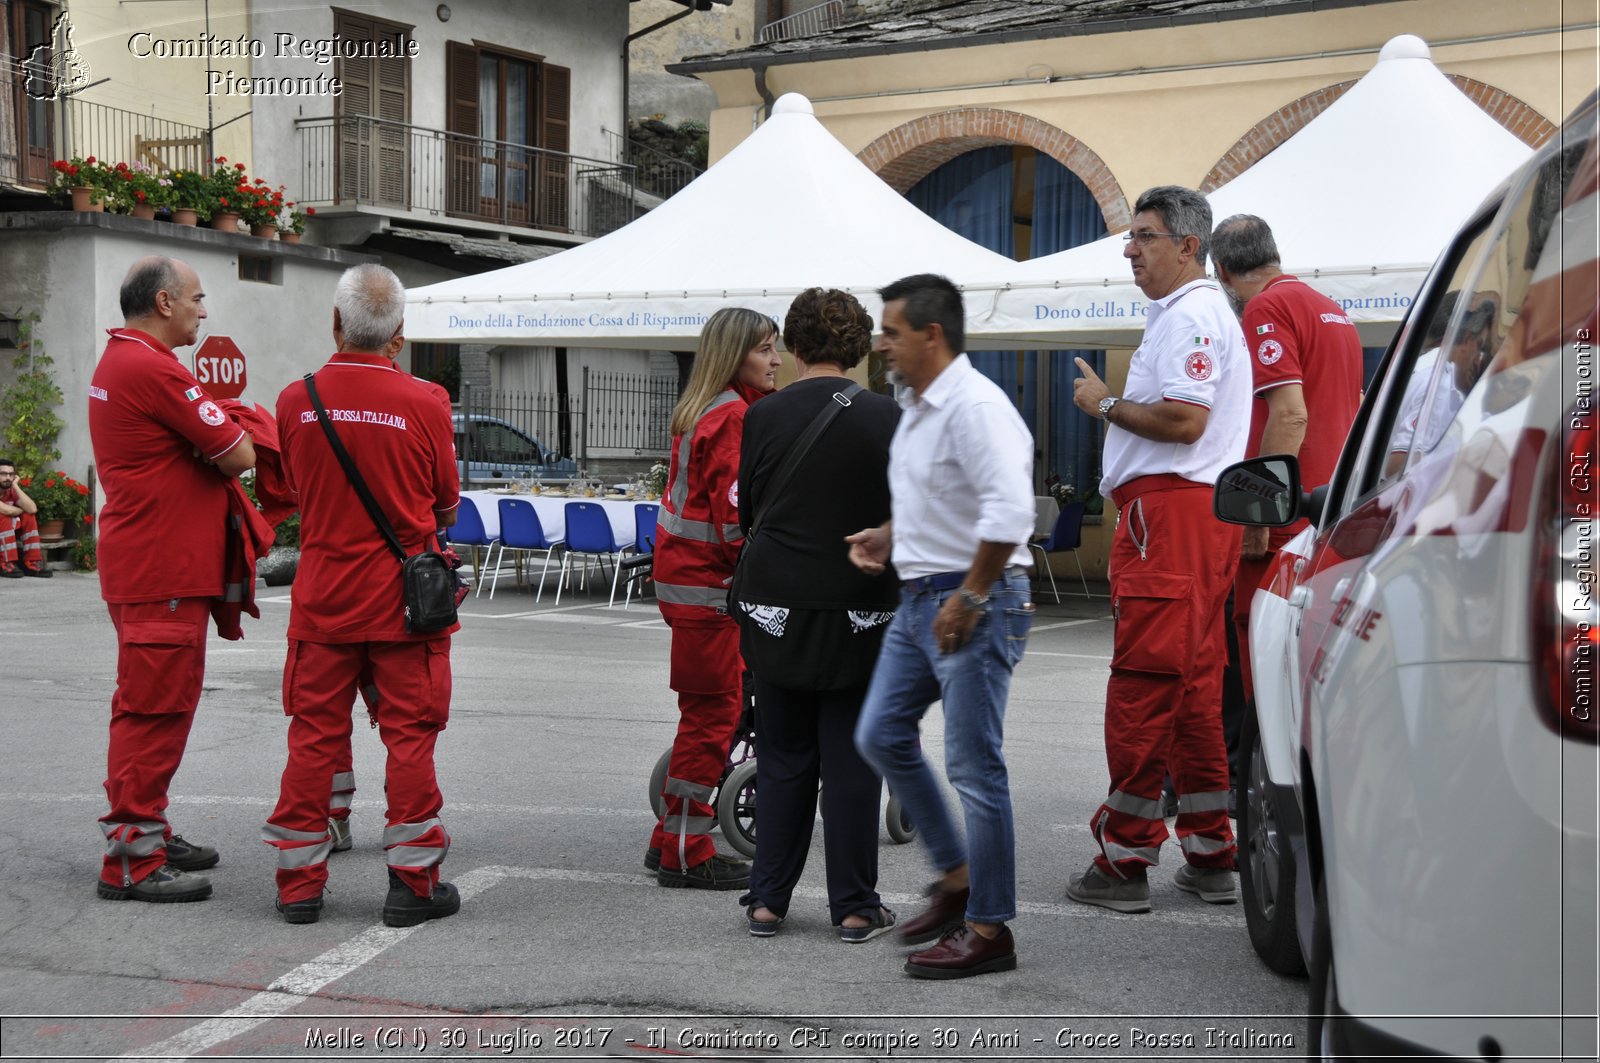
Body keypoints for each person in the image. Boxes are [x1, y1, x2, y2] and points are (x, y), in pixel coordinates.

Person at [1068, 186, 1250, 913]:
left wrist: (1102, 404)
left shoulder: (1192, 314)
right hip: (1191, 517)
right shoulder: (1191, 313)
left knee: (1144, 685)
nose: (1129, 248)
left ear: (1187, 245)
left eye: (1143, 235)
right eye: (1130, 235)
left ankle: (1124, 859)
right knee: (1194, 690)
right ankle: (1209, 851)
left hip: (1170, 519)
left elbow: (1182, 420)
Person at [849, 273, 1036, 980]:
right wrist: (889, 535)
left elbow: (1010, 512)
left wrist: (973, 593)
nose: (881, 343)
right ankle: (957, 879)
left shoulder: (975, 406)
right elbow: (939, 495)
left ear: (932, 334)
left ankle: (990, 928)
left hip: (972, 601)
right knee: (880, 733)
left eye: (892, 331)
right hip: (923, 597)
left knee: (974, 767)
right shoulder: (919, 405)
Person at [264, 264, 461, 926]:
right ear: (399, 335)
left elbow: (289, 490)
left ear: (335, 322)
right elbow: (445, 502)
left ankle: (298, 884)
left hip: (322, 603)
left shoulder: (296, 399)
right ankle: (412, 882)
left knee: (312, 738)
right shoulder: (427, 401)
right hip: (406, 604)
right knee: (410, 739)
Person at [732, 288, 901, 940]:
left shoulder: (763, 415)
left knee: (782, 753)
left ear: (796, 345)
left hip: (775, 605)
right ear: (858, 348)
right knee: (853, 759)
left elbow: (750, 511)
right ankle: (856, 906)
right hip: (859, 605)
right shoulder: (889, 416)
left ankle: (768, 900)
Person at [89, 255, 257, 903]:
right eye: (196, 297)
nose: (203, 309)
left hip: (149, 562)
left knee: (156, 702)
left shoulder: (122, 360)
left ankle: (147, 824)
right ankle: (132, 854)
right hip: (160, 567)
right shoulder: (154, 369)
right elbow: (238, 454)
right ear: (163, 302)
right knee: (153, 708)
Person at [1209, 214, 1362, 762]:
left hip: (1287, 517)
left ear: (1222, 270)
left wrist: (1257, 511)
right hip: (1328, 509)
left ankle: (1253, 789)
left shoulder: (1266, 308)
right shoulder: (1333, 309)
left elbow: (1290, 416)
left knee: (1260, 671)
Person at [648, 307, 781, 890]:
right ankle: (685, 848)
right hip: (710, 589)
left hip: (689, 584)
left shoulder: (703, 409)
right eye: (766, 349)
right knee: (712, 717)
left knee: (708, 714)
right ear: (736, 357)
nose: (778, 359)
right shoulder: (732, 418)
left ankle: (673, 837)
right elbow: (733, 522)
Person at [0, 459, 50, 578]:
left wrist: (15, 486)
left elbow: (32, 508)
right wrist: (18, 512)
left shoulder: (10, 490)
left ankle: (31, 562)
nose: (8, 477)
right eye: (3, 474)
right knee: (4, 516)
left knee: (28, 516)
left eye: (11, 474)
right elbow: (7, 510)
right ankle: (6, 563)